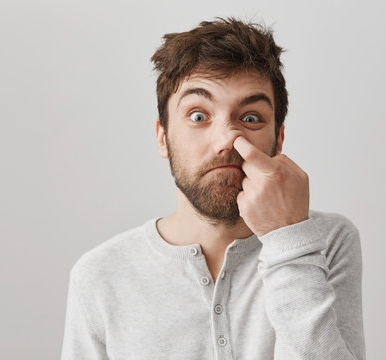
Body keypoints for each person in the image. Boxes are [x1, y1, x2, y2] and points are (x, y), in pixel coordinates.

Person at [61, 17, 365, 359]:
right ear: (163, 137)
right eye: (198, 116)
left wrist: (288, 240)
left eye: (250, 118)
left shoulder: (326, 241)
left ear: (278, 140)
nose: (227, 140)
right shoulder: (99, 276)